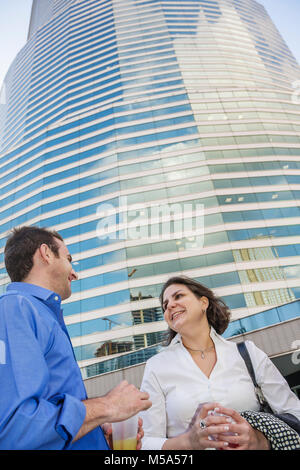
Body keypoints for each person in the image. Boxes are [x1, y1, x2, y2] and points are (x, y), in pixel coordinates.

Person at [0, 226, 151, 450]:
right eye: (68, 259)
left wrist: (96, 431)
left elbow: (52, 414)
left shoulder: (42, 315)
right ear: (46, 253)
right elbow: (16, 429)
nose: (74, 273)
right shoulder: (14, 307)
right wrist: (107, 407)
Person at [140, 275, 300, 450]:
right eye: (165, 305)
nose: (170, 305)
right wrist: (188, 442)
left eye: (178, 296)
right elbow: (146, 442)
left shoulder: (248, 353)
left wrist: (259, 440)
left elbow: (294, 414)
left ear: (203, 303)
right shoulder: (156, 366)